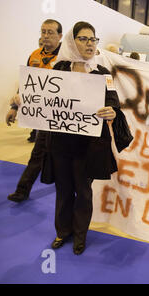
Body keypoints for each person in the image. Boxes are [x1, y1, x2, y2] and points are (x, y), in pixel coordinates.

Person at [39, 21, 132, 255]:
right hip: (61, 143)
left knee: (83, 190)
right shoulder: (59, 69)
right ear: (72, 41)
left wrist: (112, 111)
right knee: (63, 190)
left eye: (93, 39)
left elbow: (113, 100)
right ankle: (63, 231)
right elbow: (44, 97)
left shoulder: (103, 73)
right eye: (84, 39)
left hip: (89, 145)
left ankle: (80, 235)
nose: (90, 44)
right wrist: (21, 100)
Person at [6, 19, 63, 203]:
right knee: (38, 153)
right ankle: (22, 190)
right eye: (43, 31)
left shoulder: (67, 57)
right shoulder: (34, 56)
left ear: (60, 36)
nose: (45, 36)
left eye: (50, 32)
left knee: (68, 159)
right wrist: (14, 107)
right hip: (43, 119)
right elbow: (25, 84)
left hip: (64, 117)